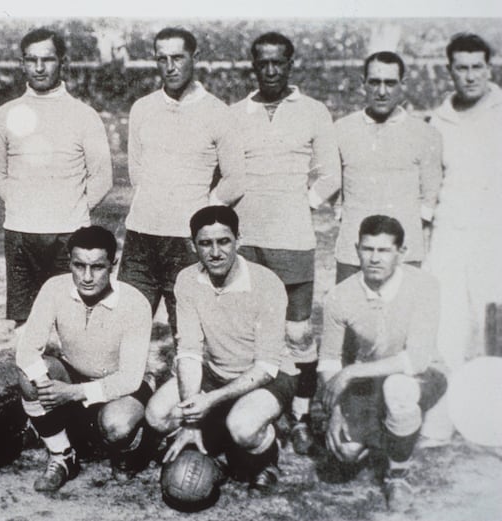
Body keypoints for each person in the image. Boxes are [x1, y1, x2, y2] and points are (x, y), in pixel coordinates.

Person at [229, 32, 340, 453]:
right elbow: (225, 172)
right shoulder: (236, 113)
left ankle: (301, 415)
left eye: (279, 62)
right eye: (263, 63)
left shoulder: (313, 111)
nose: (271, 70)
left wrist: (302, 202)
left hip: (293, 239)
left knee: (296, 334)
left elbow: (330, 174)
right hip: (247, 240)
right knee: (250, 332)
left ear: (291, 64)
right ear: (253, 66)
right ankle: (255, 411)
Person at [145, 206, 297, 497]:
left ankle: (267, 455)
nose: (215, 252)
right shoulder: (187, 280)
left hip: (268, 375)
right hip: (215, 373)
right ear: (193, 246)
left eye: (223, 241)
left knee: (243, 427)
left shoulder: (266, 283)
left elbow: (266, 366)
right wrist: (191, 421)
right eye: (205, 243)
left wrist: (212, 400)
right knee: (157, 415)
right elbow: (188, 351)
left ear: (238, 240)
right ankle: (212, 436)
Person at [118, 27, 244, 336]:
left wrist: (202, 212)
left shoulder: (218, 112)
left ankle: (185, 385)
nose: (170, 66)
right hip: (140, 236)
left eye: (178, 57)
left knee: (188, 332)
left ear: (194, 58)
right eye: (162, 59)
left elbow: (236, 179)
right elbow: (137, 172)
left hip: (185, 242)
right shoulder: (142, 108)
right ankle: (131, 384)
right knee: (124, 325)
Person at [318, 215, 446, 512]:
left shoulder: (425, 286)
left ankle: (397, 475)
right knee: (346, 451)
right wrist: (335, 411)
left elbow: (416, 359)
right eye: (367, 249)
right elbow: (328, 359)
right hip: (370, 382)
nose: (374, 258)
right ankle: (387, 433)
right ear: (356, 249)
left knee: (398, 390)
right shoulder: (340, 295)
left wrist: (352, 372)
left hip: (423, 375)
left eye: (384, 250)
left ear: (401, 253)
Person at [0, 28, 113, 327]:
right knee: (25, 324)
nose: (40, 68)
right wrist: (25, 204)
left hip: (69, 235)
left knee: (70, 319)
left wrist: (70, 210)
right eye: (32, 60)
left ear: (62, 63)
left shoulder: (84, 115)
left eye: (48, 59)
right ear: (22, 64)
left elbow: (102, 177)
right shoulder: (6, 114)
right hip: (20, 232)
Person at [16, 226, 153, 492]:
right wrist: (46, 385)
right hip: (73, 376)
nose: (87, 277)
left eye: (98, 267)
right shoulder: (54, 288)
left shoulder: (135, 302)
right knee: (29, 376)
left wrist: (72, 393)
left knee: (117, 426)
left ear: (112, 265)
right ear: (69, 262)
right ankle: (62, 455)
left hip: (120, 388)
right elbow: (26, 349)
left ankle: (128, 448)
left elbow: (130, 378)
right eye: (79, 266)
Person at [421, 33, 502, 445]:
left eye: (477, 67)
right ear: (449, 70)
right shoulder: (438, 121)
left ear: (490, 67)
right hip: (450, 237)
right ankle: (441, 420)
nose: (469, 76)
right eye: (461, 68)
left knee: (494, 330)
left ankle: (492, 423)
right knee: (447, 329)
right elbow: (432, 188)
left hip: (495, 238)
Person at [333, 51, 443, 283]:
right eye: (374, 82)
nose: (382, 91)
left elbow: (429, 197)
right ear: (363, 84)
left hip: (404, 252)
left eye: (390, 83)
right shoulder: (341, 130)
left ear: (402, 84)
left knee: (402, 317)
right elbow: (333, 187)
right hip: (353, 253)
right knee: (351, 314)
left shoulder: (425, 134)